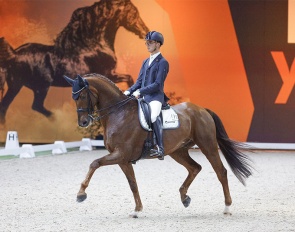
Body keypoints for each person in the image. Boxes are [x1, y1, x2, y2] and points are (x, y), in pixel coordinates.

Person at [124, 31, 169, 160]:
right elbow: (139, 81)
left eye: (150, 42)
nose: (147, 45)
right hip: (143, 97)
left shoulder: (163, 62)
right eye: (146, 42)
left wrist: (141, 92)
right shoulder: (145, 61)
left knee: (153, 115)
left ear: (158, 44)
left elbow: (158, 84)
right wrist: (129, 91)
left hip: (155, 97)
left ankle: (160, 148)